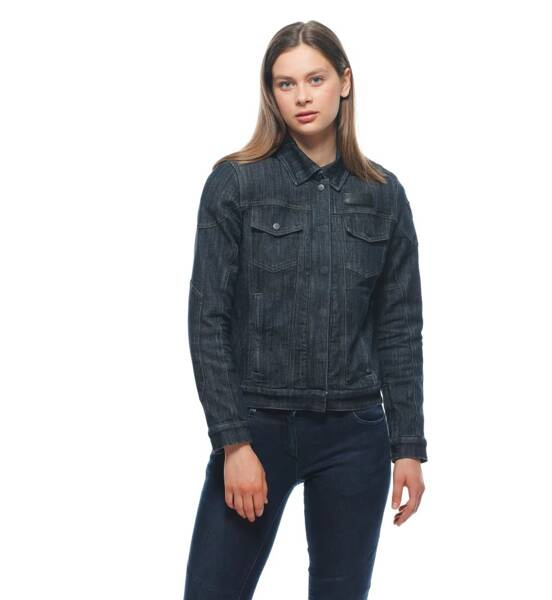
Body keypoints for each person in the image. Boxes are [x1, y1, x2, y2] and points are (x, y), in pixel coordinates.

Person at [183, 20, 427, 600]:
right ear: (271, 93)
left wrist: (408, 447)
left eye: (315, 79)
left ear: (345, 82)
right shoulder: (235, 184)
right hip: (257, 429)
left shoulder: (384, 195)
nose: (302, 96)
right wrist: (233, 443)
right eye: (286, 83)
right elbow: (207, 320)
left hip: (355, 436)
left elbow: (399, 328)